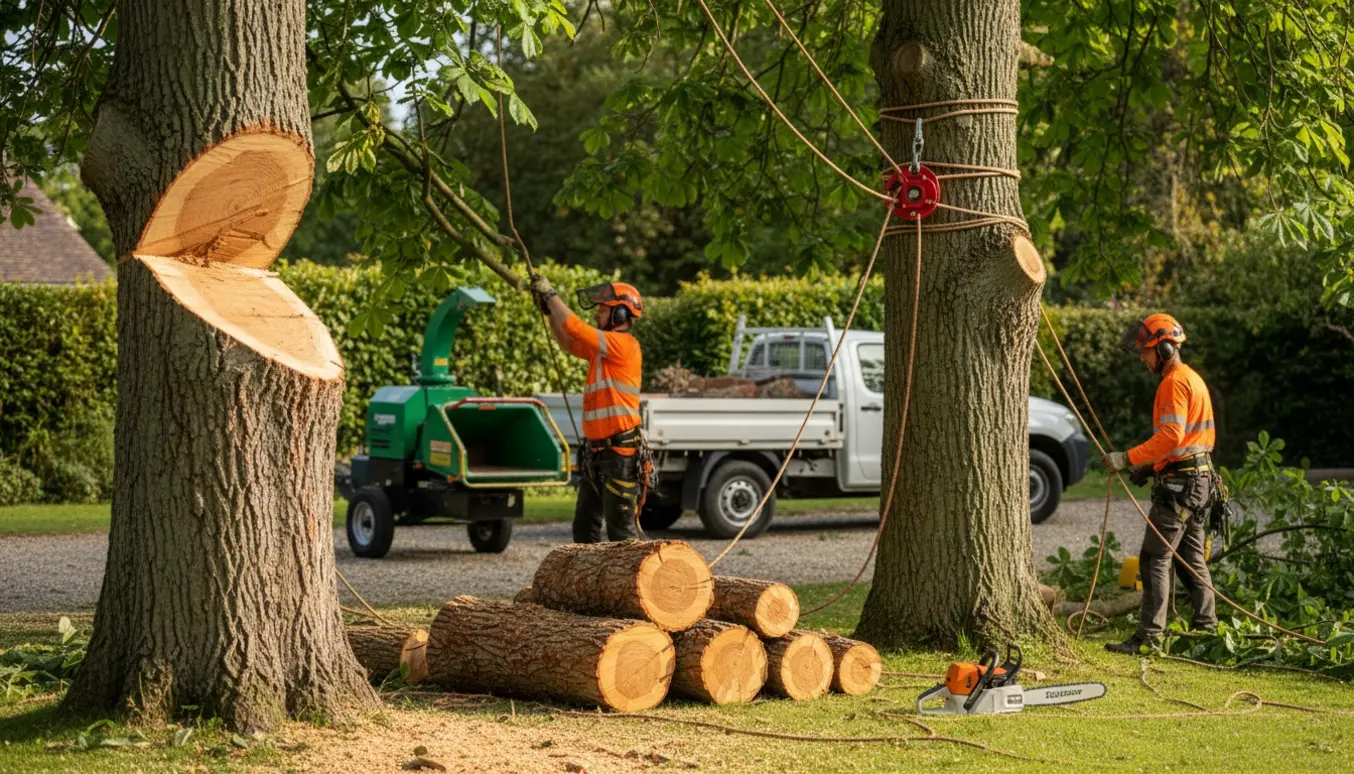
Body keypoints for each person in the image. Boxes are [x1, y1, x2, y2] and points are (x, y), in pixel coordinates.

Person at [1101, 313, 1218, 654]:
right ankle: (1206, 630)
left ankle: (1149, 636)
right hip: (1199, 480)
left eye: (1146, 351)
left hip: (1182, 486)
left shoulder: (1173, 383)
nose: (1142, 358)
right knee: (1190, 559)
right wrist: (1151, 469)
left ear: (1165, 349)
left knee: (1154, 558)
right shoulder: (1192, 378)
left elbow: (1171, 436)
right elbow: (1187, 445)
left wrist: (1127, 458)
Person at [529, 274, 645, 543]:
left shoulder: (622, 346)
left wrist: (551, 297)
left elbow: (577, 328)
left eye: (603, 310)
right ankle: (589, 582)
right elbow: (569, 342)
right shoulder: (601, 351)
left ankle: (632, 582)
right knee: (584, 528)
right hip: (596, 452)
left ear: (619, 313)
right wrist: (549, 314)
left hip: (619, 454)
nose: (597, 315)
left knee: (621, 532)